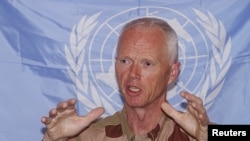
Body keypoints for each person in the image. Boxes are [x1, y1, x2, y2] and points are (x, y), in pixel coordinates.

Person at [41, 17, 210, 141]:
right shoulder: (90, 136)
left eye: (147, 64)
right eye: (125, 61)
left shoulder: (195, 133)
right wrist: (51, 139)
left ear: (172, 72)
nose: (133, 74)